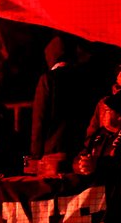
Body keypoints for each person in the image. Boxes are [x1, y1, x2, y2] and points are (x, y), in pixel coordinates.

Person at [27, 35, 91, 174]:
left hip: (53, 152)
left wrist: (35, 155)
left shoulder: (48, 79)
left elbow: (39, 119)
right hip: (78, 151)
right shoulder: (83, 79)